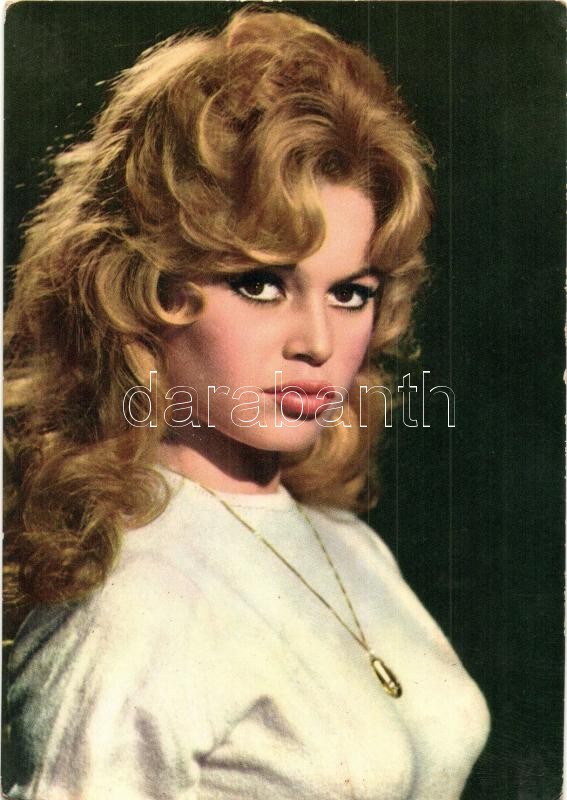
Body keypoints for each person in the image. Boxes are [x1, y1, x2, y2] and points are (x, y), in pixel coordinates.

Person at [3, 7, 490, 799]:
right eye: (260, 284)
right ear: (146, 289)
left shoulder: (347, 545)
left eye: (350, 293)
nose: (317, 342)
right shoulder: (129, 604)